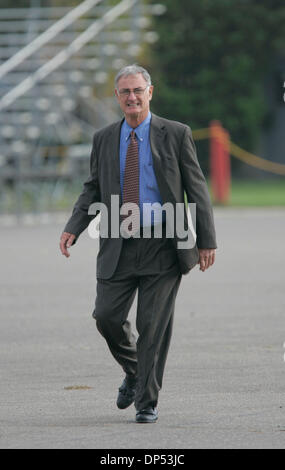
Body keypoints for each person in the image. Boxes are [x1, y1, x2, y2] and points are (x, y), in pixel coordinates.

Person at [60, 64, 217, 424]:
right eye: (125, 92)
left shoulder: (176, 133)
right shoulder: (103, 138)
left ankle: (146, 401)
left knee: (152, 325)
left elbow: (197, 187)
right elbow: (93, 188)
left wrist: (206, 240)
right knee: (107, 317)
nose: (132, 97)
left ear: (150, 92)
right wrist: (74, 226)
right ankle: (134, 372)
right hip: (118, 242)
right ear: (117, 97)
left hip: (164, 242)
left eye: (138, 90)